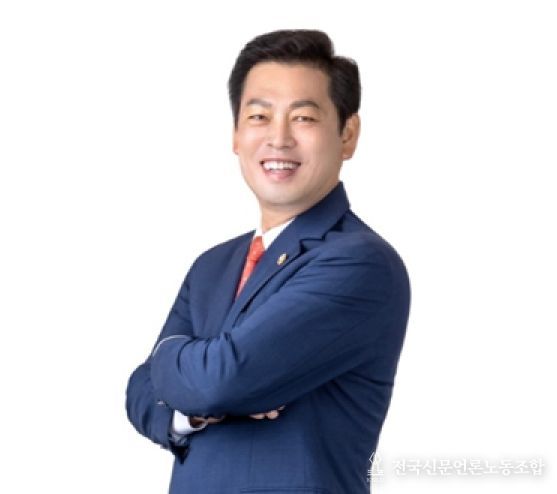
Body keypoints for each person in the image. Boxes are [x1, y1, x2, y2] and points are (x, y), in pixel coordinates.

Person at [125, 29, 411, 494]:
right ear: (236, 135)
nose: (278, 138)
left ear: (347, 135)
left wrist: (173, 359)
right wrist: (195, 408)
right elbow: (140, 394)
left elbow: (221, 379)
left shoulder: (359, 263)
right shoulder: (211, 266)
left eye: (303, 118)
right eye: (259, 116)